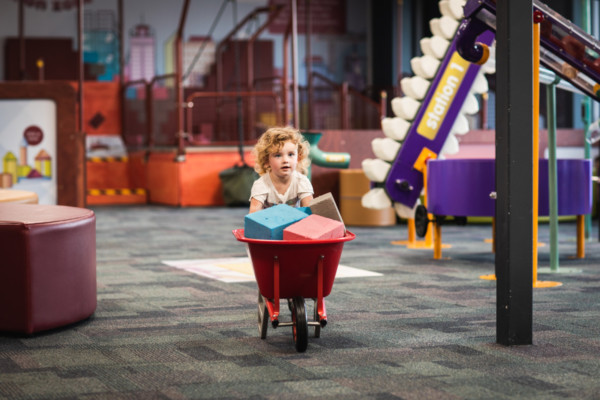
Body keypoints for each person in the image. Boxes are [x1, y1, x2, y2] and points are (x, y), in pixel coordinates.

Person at [249, 126, 314, 213]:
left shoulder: (302, 181)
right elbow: (253, 216)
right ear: (266, 161)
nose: (285, 160)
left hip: (295, 224)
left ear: (298, 158)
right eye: (278, 155)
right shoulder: (261, 184)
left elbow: (310, 212)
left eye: (290, 154)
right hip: (269, 224)